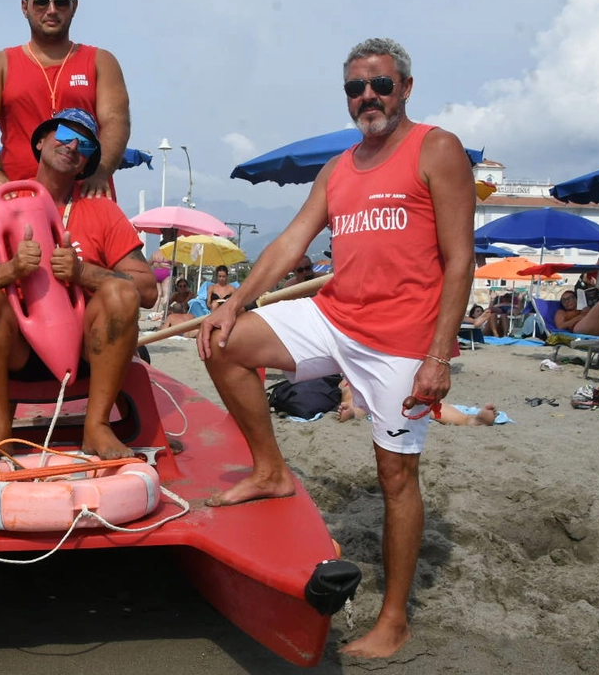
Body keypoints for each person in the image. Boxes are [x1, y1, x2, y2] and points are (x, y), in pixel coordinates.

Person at [195, 38, 475, 659]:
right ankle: (269, 472)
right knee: (222, 341)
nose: (367, 97)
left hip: (403, 341)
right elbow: (292, 242)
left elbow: (460, 261)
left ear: (405, 87)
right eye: (355, 88)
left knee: (395, 475)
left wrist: (438, 355)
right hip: (335, 317)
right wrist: (235, 300)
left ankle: (394, 618)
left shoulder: (437, 148)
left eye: (379, 84)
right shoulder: (340, 167)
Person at [0, 107, 155, 466]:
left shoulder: (103, 211)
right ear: (41, 141)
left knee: (120, 292)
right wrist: (10, 270)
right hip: (16, 353)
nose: (73, 144)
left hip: (89, 354)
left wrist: (82, 273)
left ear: (86, 163)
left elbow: (147, 290)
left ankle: (98, 425)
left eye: (87, 143)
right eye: (63, 133)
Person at [0, 0, 130, 200]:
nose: (51, 9)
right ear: (25, 7)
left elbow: (116, 122)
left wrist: (100, 171)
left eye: (60, 2)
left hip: (86, 195)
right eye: (41, 2)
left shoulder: (101, 62)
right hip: (17, 196)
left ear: (73, 7)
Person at [336, 379, 498, 426]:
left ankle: (470, 420)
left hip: (380, 382)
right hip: (361, 382)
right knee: (352, 392)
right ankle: (352, 411)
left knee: (423, 402)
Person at [150, 248, 173, 319]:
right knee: (166, 294)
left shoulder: (155, 254)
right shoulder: (169, 254)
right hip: (166, 274)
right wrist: (166, 265)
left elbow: (148, 263)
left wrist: (157, 264)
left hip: (156, 273)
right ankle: (164, 312)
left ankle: (154, 312)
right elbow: (176, 263)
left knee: (158, 294)